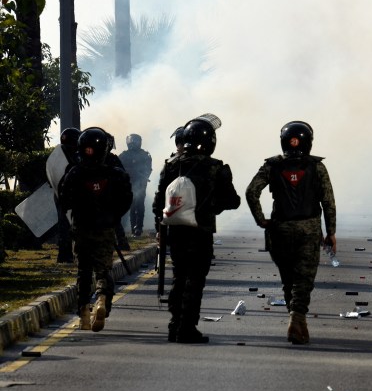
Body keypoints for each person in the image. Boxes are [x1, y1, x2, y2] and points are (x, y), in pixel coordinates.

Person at [245, 121, 336, 345]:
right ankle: (297, 318)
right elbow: (328, 202)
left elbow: (251, 192)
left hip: (279, 230)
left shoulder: (271, 165)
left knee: (288, 280)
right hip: (309, 229)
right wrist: (331, 232)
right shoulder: (317, 167)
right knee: (303, 280)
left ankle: (297, 322)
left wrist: (261, 220)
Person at [152, 117, 240, 344]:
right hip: (201, 231)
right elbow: (232, 200)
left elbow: (157, 203)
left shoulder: (171, 165)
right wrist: (212, 205)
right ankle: (187, 328)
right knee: (195, 279)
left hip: (176, 231)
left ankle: (174, 325)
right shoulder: (214, 167)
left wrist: (159, 229)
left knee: (179, 277)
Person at [58, 127, 133, 332]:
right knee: (103, 270)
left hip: (81, 227)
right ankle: (101, 300)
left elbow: (63, 199)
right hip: (105, 228)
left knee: (83, 270)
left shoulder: (74, 173)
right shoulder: (115, 174)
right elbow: (126, 200)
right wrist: (112, 217)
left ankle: (83, 313)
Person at [46, 127, 80, 263]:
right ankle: (66, 254)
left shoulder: (56, 154)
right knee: (69, 225)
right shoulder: (75, 155)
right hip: (69, 194)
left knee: (64, 224)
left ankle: (65, 255)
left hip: (61, 194)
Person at [118, 134, 153, 237]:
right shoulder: (123, 155)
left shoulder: (144, 155)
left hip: (140, 183)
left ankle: (138, 228)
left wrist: (143, 177)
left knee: (139, 205)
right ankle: (133, 228)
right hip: (128, 183)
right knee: (131, 205)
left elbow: (148, 169)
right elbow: (119, 169)